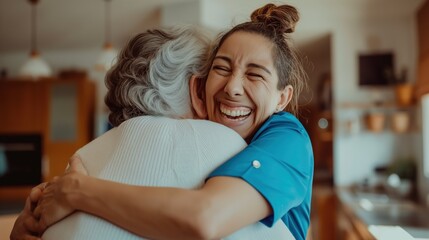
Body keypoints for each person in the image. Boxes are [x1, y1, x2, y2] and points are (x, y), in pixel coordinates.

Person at [17, 3, 314, 240]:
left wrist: (77, 192)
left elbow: (205, 217)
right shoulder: (191, 139)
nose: (232, 87)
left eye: (255, 74)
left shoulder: (287, 137)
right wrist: (28, 221)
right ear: (200, 88)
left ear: (282, 98)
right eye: (221, 68)